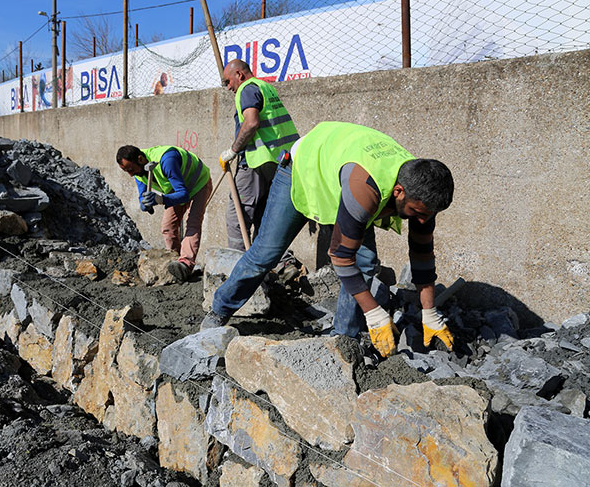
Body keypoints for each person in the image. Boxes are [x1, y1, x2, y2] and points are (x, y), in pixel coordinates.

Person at [200, 121, 455, 358]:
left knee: (365, 262)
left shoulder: (421, 191)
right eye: (418, 213)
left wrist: (430, 313)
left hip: (340, 177)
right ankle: (219, 310)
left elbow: (422, 254)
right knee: (266, 254)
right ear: (398, 192)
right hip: (302, 169)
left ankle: (342, 341)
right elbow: (341, 256)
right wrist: (375, 314)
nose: (422, 220)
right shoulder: (365, 187)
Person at [219, 60, 300, 278]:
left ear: (239, 75)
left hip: (257, 161)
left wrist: (234, 150)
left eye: (228, 81)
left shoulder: (246, 89)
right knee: (267, 215)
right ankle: (283, 262)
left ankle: (237, 270)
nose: (228, 87)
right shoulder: (266, 87)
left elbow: (251, 123)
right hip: (281, 161)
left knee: (237, 215)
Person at [117, 144, 211, 283]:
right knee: (168, 226)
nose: (130, 174)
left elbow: (183, 194)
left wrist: (161, 199)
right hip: (175, 191)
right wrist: (145, 204)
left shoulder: (167, 160)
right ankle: (173, 263)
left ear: (140, 159)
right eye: (126, 171)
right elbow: (142, 195)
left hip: (198, 184)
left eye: (130, 169)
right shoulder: (139, 171)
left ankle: (185, 264)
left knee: (193, 223)